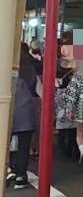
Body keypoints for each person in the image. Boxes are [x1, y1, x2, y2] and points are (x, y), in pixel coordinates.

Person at [7, 43, 40, 189]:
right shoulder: (31, 69)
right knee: (23, 145)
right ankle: (20, 175)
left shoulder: (7, 68)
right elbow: (41, 90)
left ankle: (9, 169)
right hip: (27, 110)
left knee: (6, 143)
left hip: (8, 111)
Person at [55, 60, 78, 160]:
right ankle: (74, 152)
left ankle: (66, 153)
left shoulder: (56, 77)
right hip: (72, 104)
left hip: (60, 107)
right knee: (73, 132)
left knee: (61, 133)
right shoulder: (72, 75)